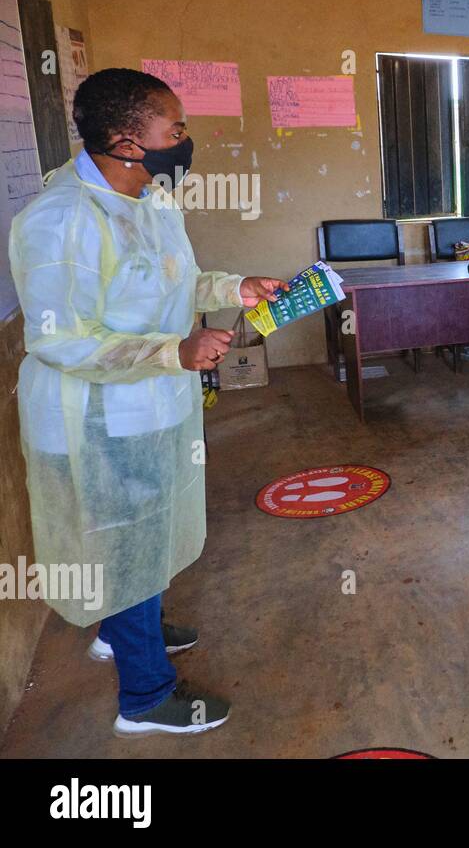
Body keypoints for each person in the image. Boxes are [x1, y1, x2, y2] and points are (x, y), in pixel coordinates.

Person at [8, 68, 288, 737]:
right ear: (123, 138)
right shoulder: (59, 219)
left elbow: (179, 280)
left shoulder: (151, 198)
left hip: (153, 405)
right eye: (174, 129)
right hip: (92, 418)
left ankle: (128, 623)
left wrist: (235, 286)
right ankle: (145, 696)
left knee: (144, 527)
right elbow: (60, 340)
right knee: (124, 529)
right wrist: (174, 353)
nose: (184, 140)